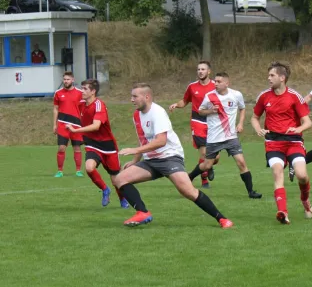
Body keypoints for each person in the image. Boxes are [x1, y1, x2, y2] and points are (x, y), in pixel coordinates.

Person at [114, 83, 233, 229]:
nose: (131, 100)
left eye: (135, 96)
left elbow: (161, 141)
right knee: (120, 179)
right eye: (131, 96)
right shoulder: (136, 115)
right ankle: (142, 212)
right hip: (151, 160)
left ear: (146, 96)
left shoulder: (157, 112)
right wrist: (134, 160)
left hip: (169, 157)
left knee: (187, 191)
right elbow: (143, 140)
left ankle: (222, 219)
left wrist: (134, 150)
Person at [251, 62, 312, 224]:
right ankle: (283, 212)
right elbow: (254, 117)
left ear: (282, 78)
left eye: (272, 75)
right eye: (268, 75)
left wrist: (298, 129)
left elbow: (307, 122)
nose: (268, 78)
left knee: (302, 175)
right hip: (273, 142)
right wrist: (258, 129)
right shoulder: (264, 96)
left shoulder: (294, 96)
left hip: (293, 142)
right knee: (277, 172)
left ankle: (305, 201)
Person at [196, 72, 262, 199]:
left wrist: (240, 123)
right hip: (214, 137)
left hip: (231, 137)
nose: (215, 83)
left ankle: (251, 192)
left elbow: (242, 108)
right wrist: (211, 111)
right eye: (215, 81)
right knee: (207, 165)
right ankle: (190, 176)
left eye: (219, 82)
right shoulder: (209, 96)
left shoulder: (236, 95)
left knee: (241, 163)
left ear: (227, 83)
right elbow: (200, 111)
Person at [65, 79, 129, 208]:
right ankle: (105, 189)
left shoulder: (99, 105)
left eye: (85, 89)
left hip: (108, 146)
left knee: (116, 178)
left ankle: (123, 199)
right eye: (81, 88)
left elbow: (96, 126)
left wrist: (76, 130)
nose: (82, 91)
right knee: (89, 168)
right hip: (92, 144)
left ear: (93, 91)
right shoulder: (81, 104)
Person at [169, 61, 217, 188]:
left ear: (209, 72)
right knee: (204, 153)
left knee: (215, 157)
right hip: (198, 121)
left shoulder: (216, 86)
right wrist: (176, 104)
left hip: (214, 122)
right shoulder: (192, 87)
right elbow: (185, 101)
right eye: (198, 69)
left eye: (203, 69)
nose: (200, 71)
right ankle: (204, 179)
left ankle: (209, 166)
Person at [52, 71, 84, 177]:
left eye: (68, 79)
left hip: (76, 124)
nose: (66, 81)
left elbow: (83, 109)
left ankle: (78, 170)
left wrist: (84, 125)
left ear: (73, 80)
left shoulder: (80, 93)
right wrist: (54, 124)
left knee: (77, 148)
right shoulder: (58, 93)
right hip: (62, 124)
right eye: (64, 79)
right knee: (61, 147)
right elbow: (55, 109)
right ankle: (60, 171)